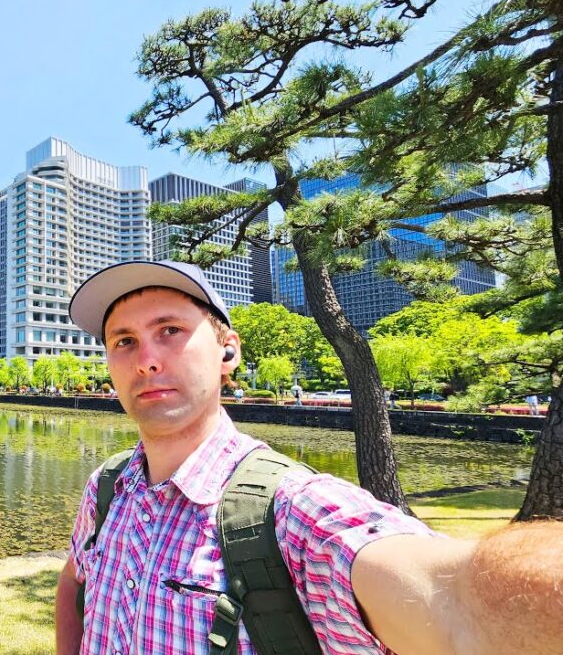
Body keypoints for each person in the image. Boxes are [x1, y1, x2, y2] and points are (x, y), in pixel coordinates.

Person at [54, 260, 563, 655]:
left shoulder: (291, 513)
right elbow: (75, 579)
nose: (146, 359)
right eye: (125, 341)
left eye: (169, 331)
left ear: (227, 350)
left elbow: (451, 597)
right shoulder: (109, 484)